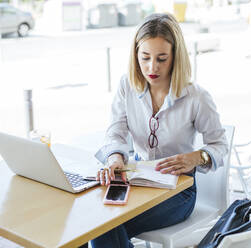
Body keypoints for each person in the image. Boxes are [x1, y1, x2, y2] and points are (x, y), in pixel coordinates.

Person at [89, 13, 228, 248]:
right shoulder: (127, 85)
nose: (152, 67)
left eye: (161, 58)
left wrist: (198, 157)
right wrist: (114, 157)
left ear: (176, 57)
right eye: (145, 57)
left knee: (105, 229)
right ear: (135, 56)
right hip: (137, 182)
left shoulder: (197, 97)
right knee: (88, 224)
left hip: (179, 191)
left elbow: (220, 144)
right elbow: (116, 130)